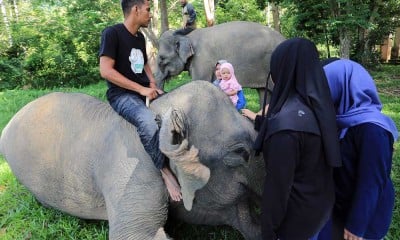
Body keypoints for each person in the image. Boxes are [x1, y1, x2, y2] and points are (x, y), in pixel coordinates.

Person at [253, 38, 342, 239]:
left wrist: (268, 232)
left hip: (295, 223)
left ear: (282, 68)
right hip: (319, 209)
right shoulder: (320, 107)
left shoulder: (286, 128)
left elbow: (278, 190)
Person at [98, 0, 182, 202]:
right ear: (135, 9)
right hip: (122, 95)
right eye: (148, 9)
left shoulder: (139, 38)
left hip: (143, 91)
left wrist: (152, 84)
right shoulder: (112, 33)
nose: (150, 14)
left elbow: (143, 64)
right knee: (148, 122)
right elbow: (106, 71)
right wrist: (141, 89)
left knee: (177, 109)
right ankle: (164, 171)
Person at [317, 59, 398, 240]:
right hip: (341, 205)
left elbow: (371, 182)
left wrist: (357, 226)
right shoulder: (343, 119)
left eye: (326, 83)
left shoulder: (373, 129)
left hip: (366, 217)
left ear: (342, 85)